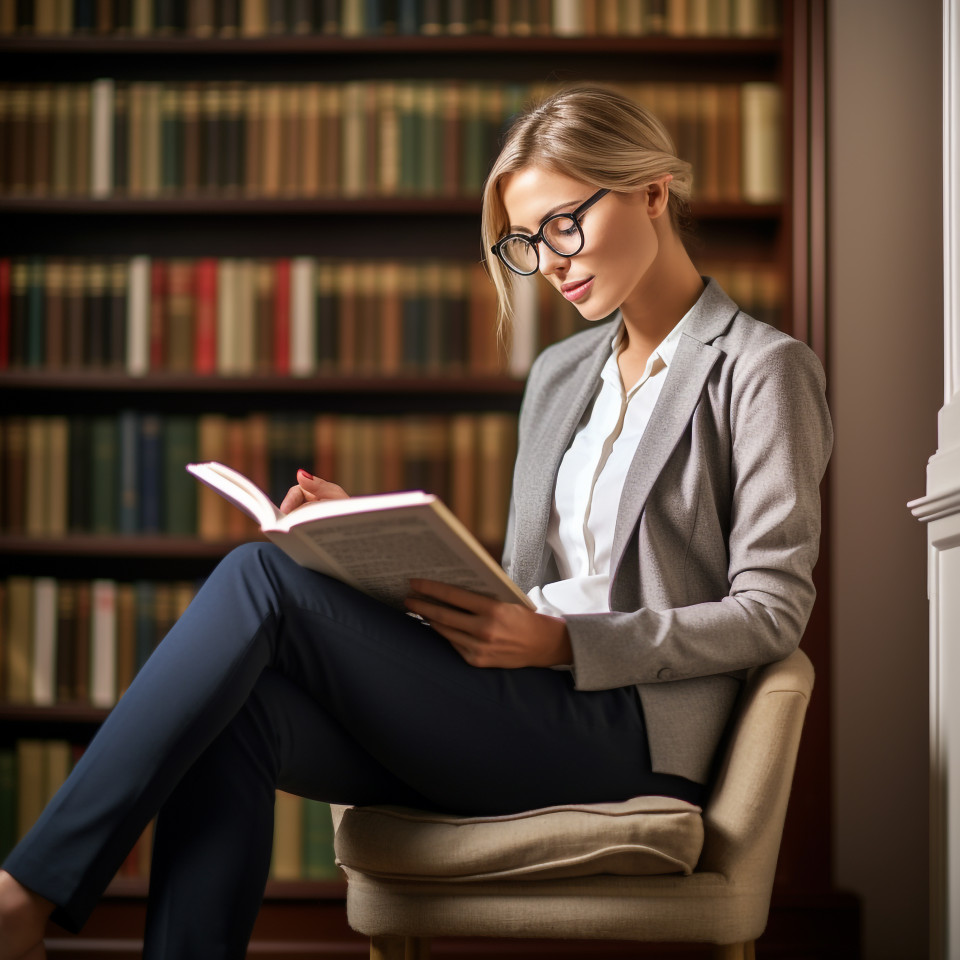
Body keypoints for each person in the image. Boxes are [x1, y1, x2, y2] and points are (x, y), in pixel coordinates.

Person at [0, 84, 832, 960]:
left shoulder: (761, 371)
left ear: (653, 192)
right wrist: (362, 540)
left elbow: (772, 613)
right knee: (234, 712)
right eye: (525, 242)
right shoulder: (560, 374)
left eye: (564, 224)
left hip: (626, 732)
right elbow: (528, 577)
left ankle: (26, 894)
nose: (549, 261)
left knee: (256, 578)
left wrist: (560, 646)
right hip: (513, 703)